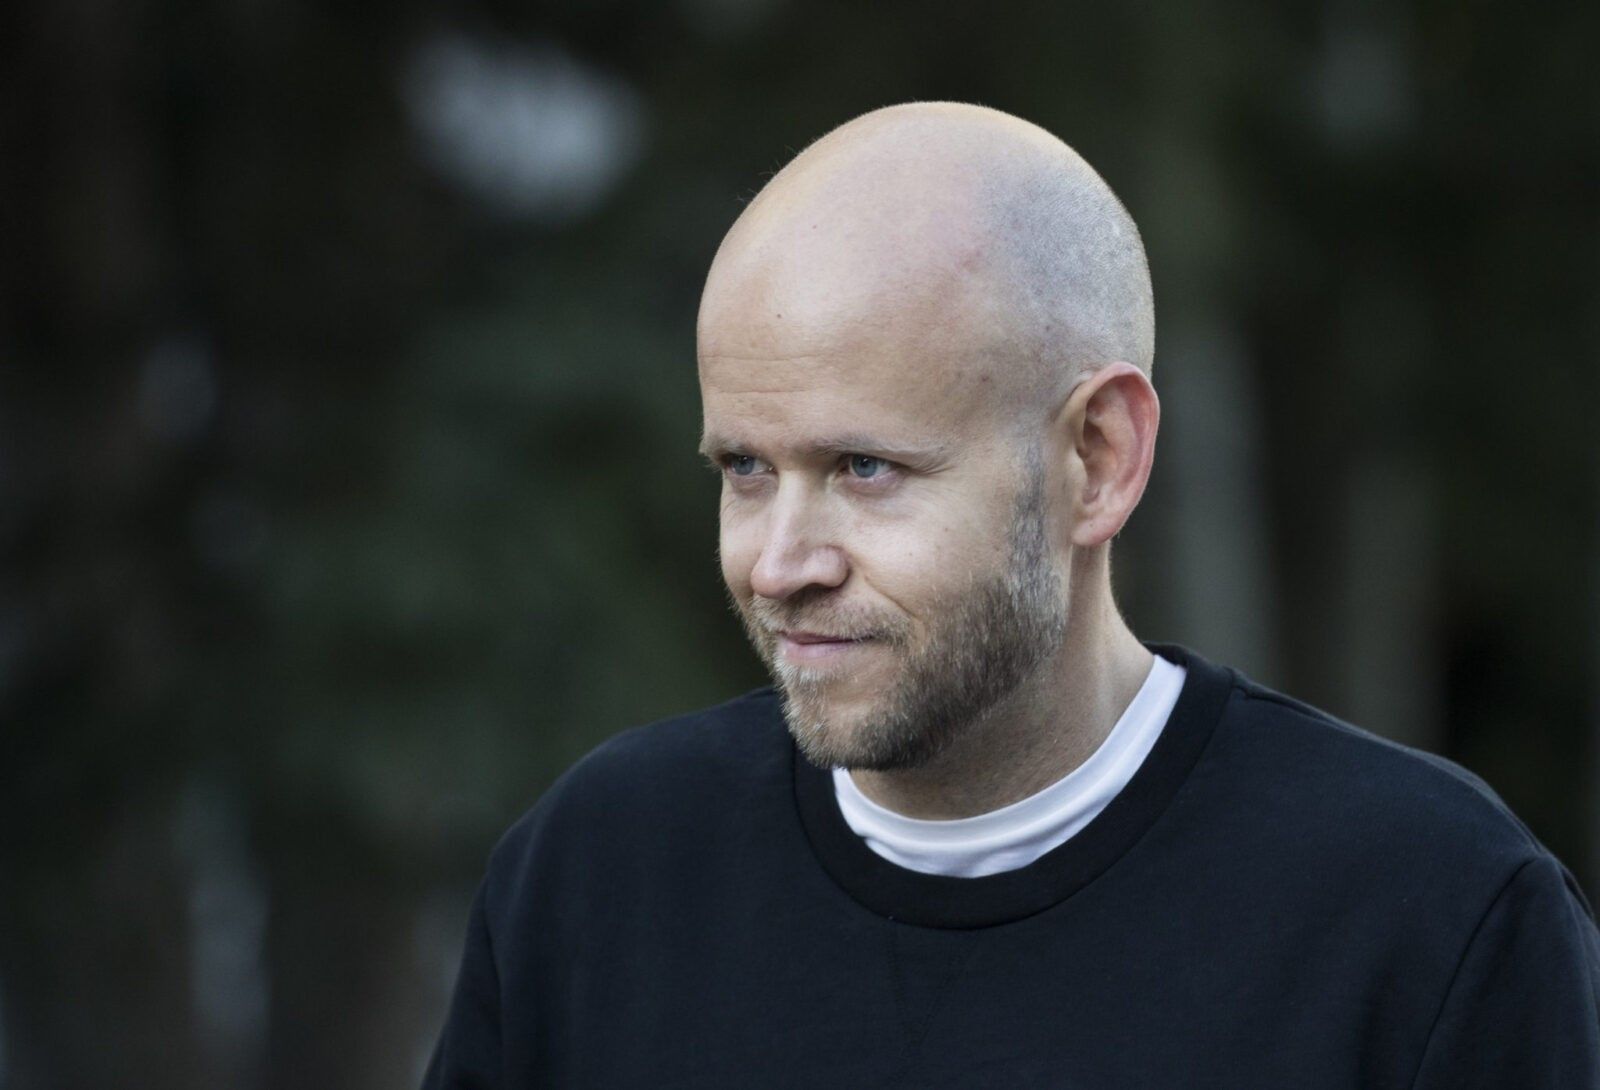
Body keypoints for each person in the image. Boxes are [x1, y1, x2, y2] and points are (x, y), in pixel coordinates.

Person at [422, 102, 1600, 1088]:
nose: (780, 563)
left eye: (864, 468)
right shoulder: (598, 876)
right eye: (744, 468)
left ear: (1097, 458)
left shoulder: (1428, 916)